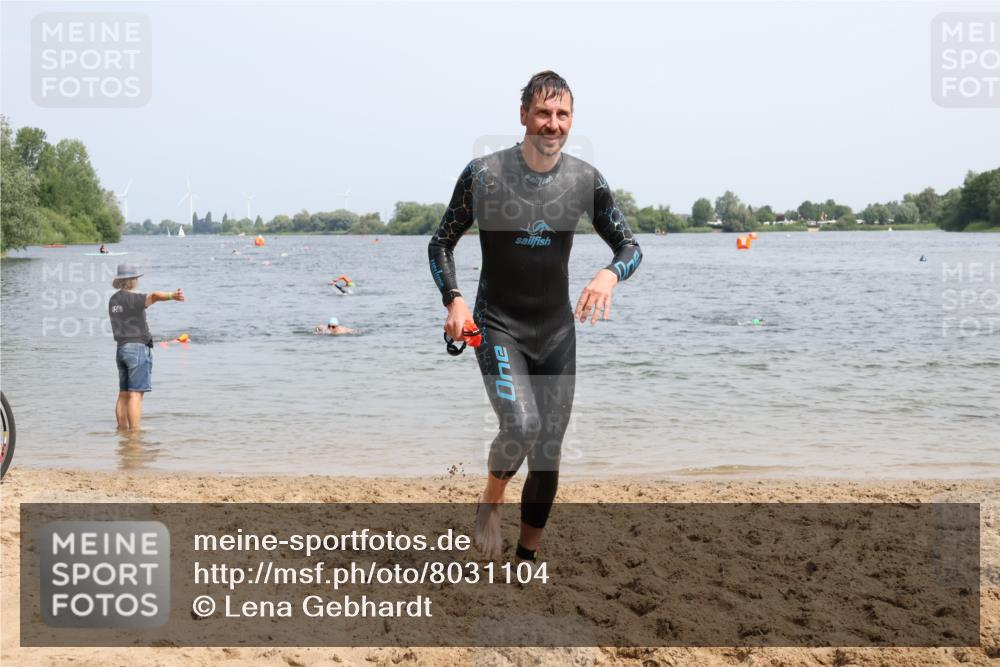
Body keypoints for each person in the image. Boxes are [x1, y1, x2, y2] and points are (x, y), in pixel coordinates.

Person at [428, 71, 642, 563]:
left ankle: (526, 556)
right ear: (523, 115)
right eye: (543, 113)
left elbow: (629, 245)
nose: (552, 124)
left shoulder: (585, 180)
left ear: (572, 120)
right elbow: (441, 242)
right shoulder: (484, 174)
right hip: (497, 324)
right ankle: (490, 501)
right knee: (521, 424)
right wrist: (454, 300)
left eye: (562, 114)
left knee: (547, 454)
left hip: (555, 332)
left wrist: (610, 274)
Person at [108, 264, 185, 431]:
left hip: (121, 349)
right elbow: (155, 295)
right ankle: (135, 435)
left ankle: (122, 432)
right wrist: (172, 295)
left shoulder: (113, 300)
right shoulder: (134, 299)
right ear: (132, 281)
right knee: (136, 394)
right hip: (137, 349)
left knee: (123, 394)